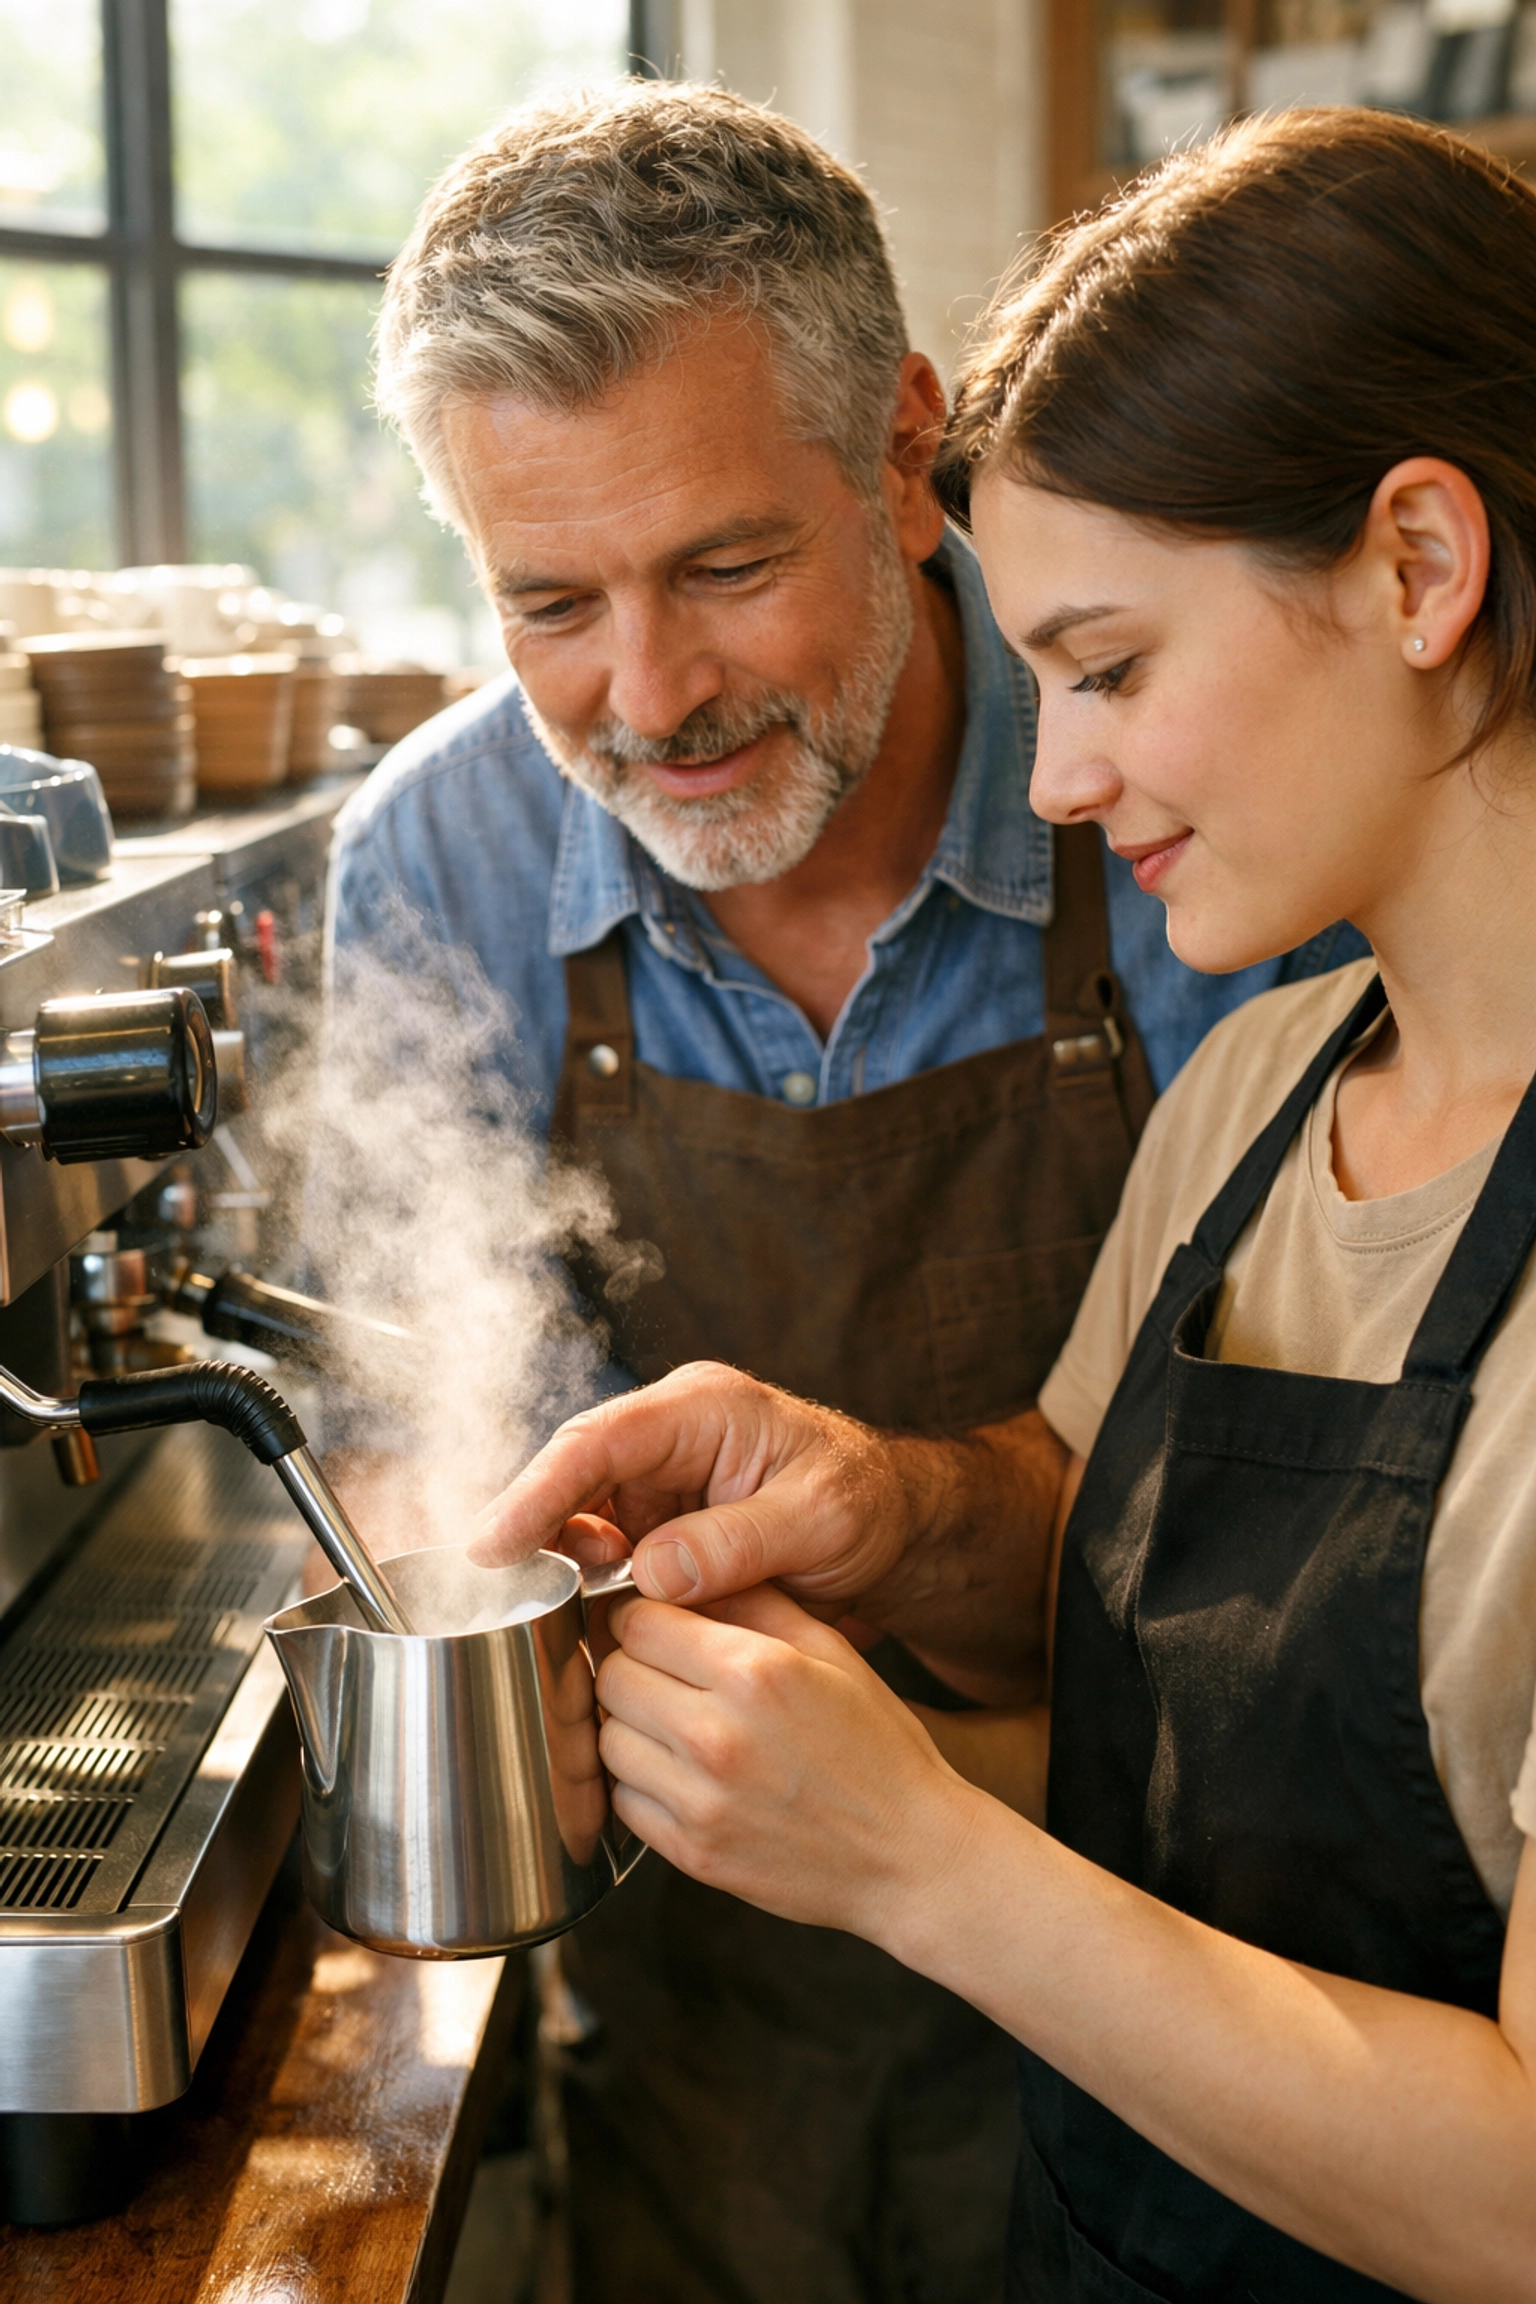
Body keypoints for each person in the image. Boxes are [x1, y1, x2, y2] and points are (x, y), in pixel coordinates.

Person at [472, 108, 1536, 2303]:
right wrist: (742, 1716)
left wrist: (921, 1857)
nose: (1049, 779)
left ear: (1421, 569)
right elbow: (1164, 1778)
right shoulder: (1254, 1091)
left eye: (1115, 668)